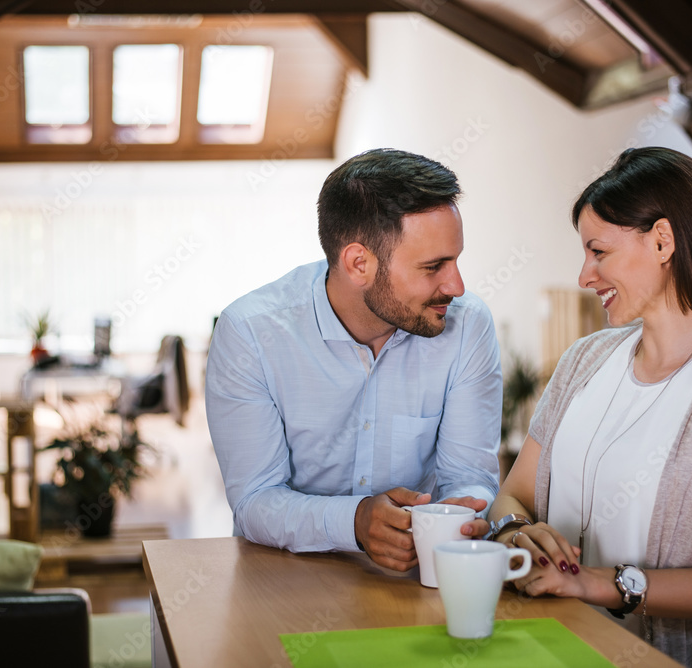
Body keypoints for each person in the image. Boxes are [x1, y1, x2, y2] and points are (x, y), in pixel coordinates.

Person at [488, 147, 692, 666]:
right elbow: (513, 496)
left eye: (599, 252)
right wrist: (517, 532)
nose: (584, 277)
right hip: (552, 650)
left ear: (662, 241)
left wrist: (596, 584)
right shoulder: (583, 361)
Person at [206, 148, 502, 571]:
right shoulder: (251, 333)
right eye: (434, 266)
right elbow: (255, 500)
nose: (456, 285)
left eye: (455, 260)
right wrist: (356, 522)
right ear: (359, 263)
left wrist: (460, 514)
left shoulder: (467, 325)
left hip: (416, 578)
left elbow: (469, 477)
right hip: (285, 577)